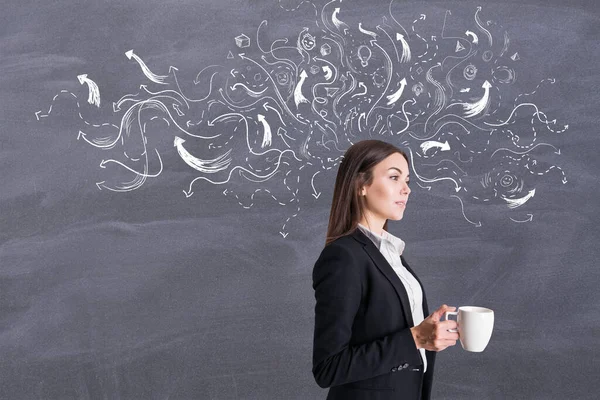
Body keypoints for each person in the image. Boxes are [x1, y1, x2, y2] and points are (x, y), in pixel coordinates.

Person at [311, 139, 459, 400]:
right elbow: (328, 367)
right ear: (361, 185)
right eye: (394, 177)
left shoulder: (391, 254)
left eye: (408, 181)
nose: (406, 190)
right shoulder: (343, 257)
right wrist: (414, 338)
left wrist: (428, 339)